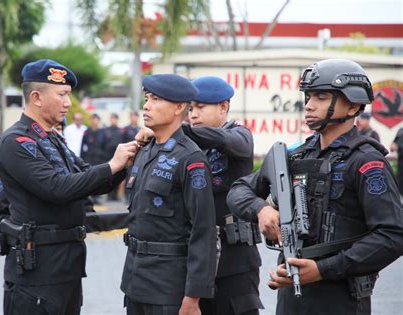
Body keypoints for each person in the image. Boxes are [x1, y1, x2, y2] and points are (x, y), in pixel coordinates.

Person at [227, 59, 403, 315]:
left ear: (353, 105)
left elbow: (392, 236)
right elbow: (239, 190)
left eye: (321, 97)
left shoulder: (366, 162)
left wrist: (322, 270)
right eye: (308, 96)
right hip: (290, 298)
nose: (308, 105)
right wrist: (260, 210)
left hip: (340, 299)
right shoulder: (294, 156)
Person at [0, 59, 138, 315]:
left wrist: (123, 164)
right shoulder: (16, 141)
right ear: (36, 97)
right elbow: (57, 188)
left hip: (66, 268)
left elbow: (87, 180)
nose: (68, 103)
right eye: (62, 95)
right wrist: (112, 166)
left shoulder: (51, 139)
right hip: (37, 275)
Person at [122, 74, 217, 314]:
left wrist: (193, 296)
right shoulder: (145, 150)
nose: (146, 105)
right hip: (135, 281)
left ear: (178, 108)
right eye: (146, 98)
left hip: (168, 287)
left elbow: (203, 230)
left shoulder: (190, 158)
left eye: (155, 99)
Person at [186, 76, 263, 315]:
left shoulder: (239, 136)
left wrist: (172, 126)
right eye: (190, 109)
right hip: (198, 260)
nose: (193, 114)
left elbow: (222, 139)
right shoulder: (189, 144)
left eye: (200, 107)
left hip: (235, 259)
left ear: (223, 107)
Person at [80, 113, 107, 204]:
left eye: (96, 119)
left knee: (99, 177)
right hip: (89, 157)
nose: (94, 121)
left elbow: (105, 146)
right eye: (93, 119)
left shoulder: (102, 132)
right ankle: (90, 196)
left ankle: (97, 197)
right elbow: (82, 146)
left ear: (98, 121)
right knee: (90, 177)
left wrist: (104, 156)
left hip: (99, 158)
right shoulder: (87, 131)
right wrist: (82, 158)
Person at [104, 113, 124, 201]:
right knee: (108, 175)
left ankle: (115, 195)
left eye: (115, 119)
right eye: (112, 119)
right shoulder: (106, 130)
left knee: (117, 175)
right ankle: (109, 195)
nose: (113, 120)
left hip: (118, 156)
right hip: (107, 156)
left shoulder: (121, 130)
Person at [391, 127, 403, 195]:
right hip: (400, 162)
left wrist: (399, 147)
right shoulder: (400, 131)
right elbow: (394, 144)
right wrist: (393, 146)